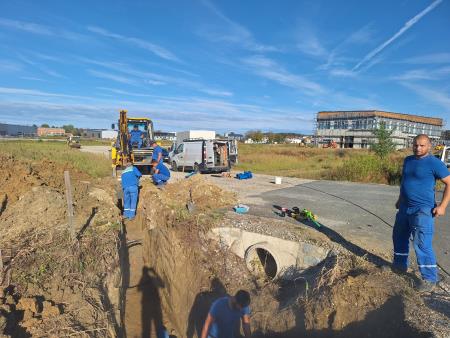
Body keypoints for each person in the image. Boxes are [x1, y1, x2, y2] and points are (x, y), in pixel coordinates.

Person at [393, 134, 450, 293]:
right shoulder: (408, 160)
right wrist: (400, 199)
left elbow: (449, 183)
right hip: (405, 207)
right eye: (416, 145)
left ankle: (429, 279)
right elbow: (405, 181)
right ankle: (399, 266)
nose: (418, 148)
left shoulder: (434, 163)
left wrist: (443, 206)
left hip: (423, 209)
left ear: (429, 146)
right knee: (399, 236)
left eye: (422, 145)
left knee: (421, 243)